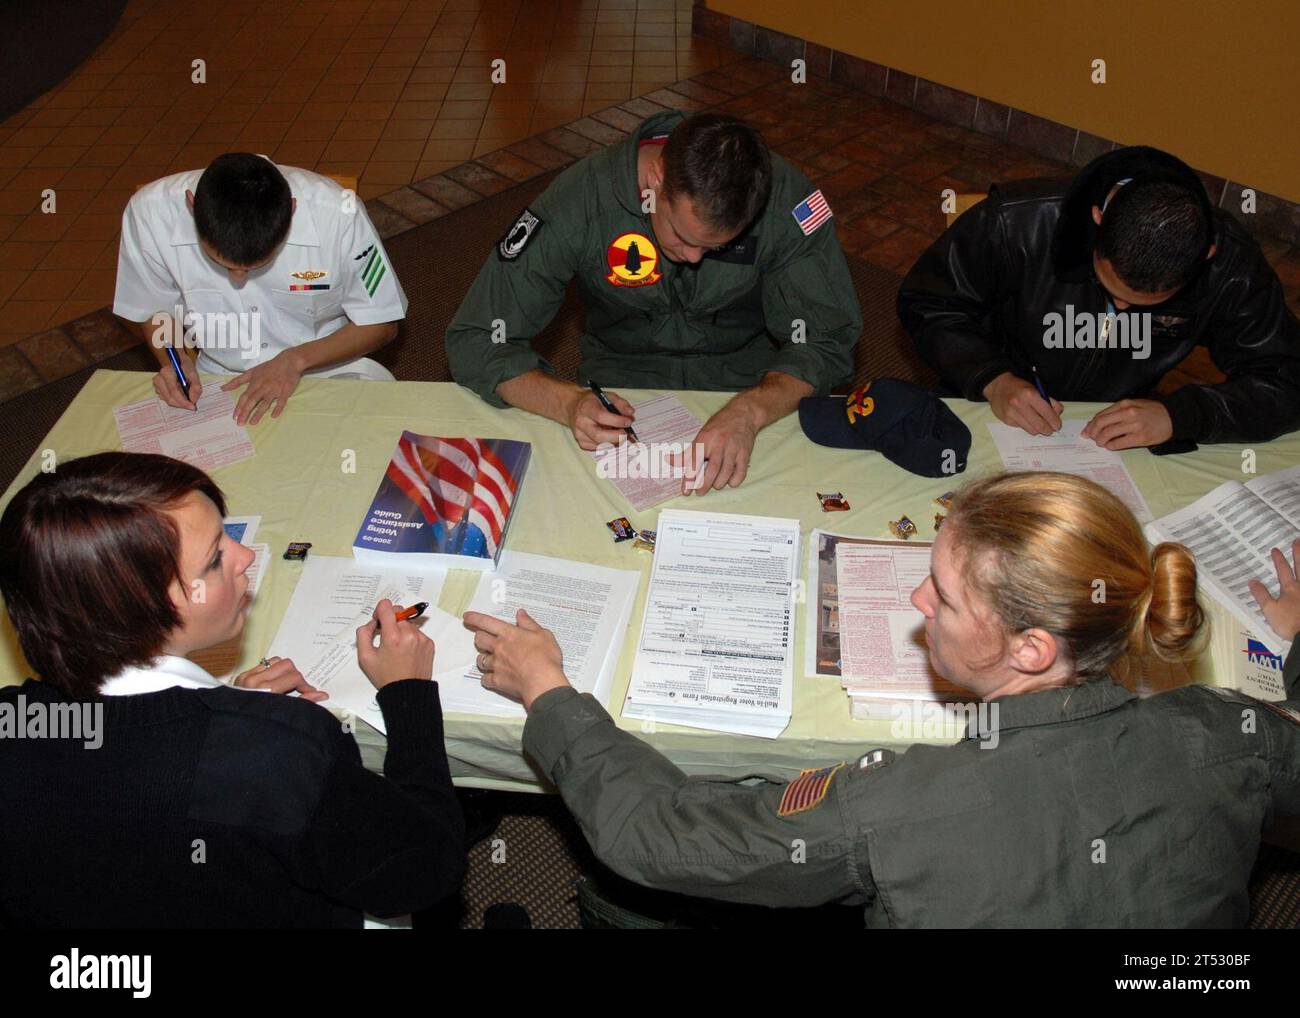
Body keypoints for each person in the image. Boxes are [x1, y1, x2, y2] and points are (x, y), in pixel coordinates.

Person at [465, 471, 1300, 927]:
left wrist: (550, 692)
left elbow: (659, 840)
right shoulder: (1236, 731)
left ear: (1032, 649)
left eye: (942, 593)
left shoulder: (901, 802)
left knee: (627, 900)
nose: (916, 605)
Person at [0, 452, 463, 927]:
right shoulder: (285, 753)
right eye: (216, 559)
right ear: (142, 609)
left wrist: (229, 718)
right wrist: (408, 696)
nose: (246, 556)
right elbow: (427, 870)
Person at [445, 112, 862, 494]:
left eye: (720, 246)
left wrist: (751, 411)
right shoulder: (582, 199)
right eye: (683, 236)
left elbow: (827, 339)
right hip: (616, 394)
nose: (695, 258)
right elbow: (478, 338)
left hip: (750, 389)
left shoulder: (787, 199)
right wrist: (568, 403)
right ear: (656, 179)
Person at [898, 145, 1300, 450]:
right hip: (988, 401)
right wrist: (992, 378)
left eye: (1145, 304)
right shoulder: (1017, 221)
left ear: (1206, 257)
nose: (1121, 310)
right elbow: (928, 303)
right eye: (1111, 289)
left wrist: (1180, 415)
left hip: (1119, 427)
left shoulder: (1228, 263)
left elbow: (1285, 381)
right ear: (1097, 222)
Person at [113, 153, 408, 426]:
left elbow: (381, 323)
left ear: (292, 211)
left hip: (326, 367)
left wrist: (295, 360)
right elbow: (154, 310)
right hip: (218, 376)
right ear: (191, 205)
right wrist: (176, 363)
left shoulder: (340, 214)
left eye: (255, 266)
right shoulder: (149, 214)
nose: (239, 278)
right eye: (223, 265)